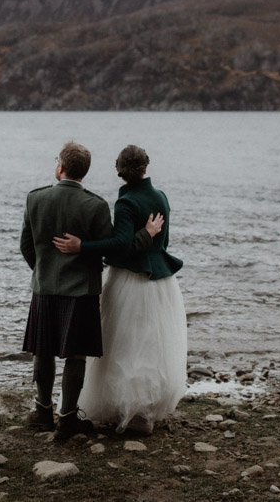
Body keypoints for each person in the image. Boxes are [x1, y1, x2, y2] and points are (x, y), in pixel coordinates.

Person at [20, 141, 160, 441]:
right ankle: (68, 417)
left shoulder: (35, 198)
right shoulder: (95, 205)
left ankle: (42, 411)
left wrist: (43, 269)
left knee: (43, 349)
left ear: (60, 167)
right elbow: (110, 252)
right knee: (76, 355)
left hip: (44, 287)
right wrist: (145, 237)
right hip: (81, 291)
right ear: (84, 173)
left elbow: (26, 246)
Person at [53, 144, 186, 435]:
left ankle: (133, 412)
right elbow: (162, 243)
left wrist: (82, 246)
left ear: (120, 172)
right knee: (153, 346)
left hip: (132, 281)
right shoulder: (160, 197)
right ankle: (145, 410)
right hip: (161, 282)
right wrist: (147, 237)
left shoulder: (125, 203)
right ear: (146, 168)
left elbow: (120, 246)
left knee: (127, 345)